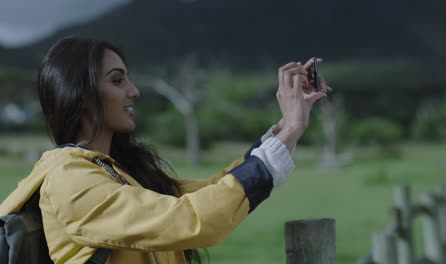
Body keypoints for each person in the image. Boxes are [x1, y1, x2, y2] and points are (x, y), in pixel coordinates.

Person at [0, 37, 331, 264]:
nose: (134, 91)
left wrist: (286, 127)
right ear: (81, 95)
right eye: (117, 80)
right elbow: (192, 219)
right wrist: (289, 129)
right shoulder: (69, 181)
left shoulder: (116, 173)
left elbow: (217, 190)